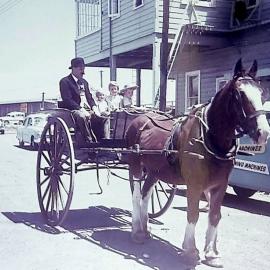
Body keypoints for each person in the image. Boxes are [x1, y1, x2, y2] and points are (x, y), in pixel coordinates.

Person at [59, 57, 100, 143]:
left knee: (103, 117)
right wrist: (81, 109)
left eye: (83, 68)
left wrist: (94, 107)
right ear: (73, 68)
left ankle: (104, 141)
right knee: (81, 116)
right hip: (72, 110)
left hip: (86, 109)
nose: (82, 71)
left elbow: (89, 97)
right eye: (80, 68)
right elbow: (67, 100)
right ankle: (89, 141)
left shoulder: (84, 82)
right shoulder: (65, 81)